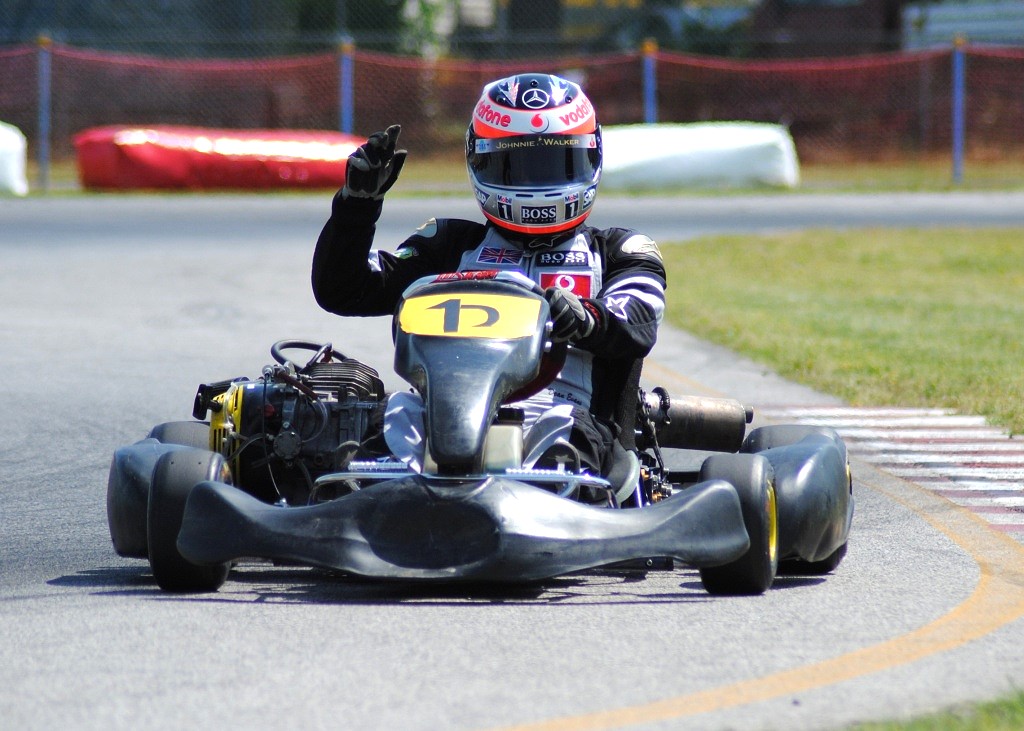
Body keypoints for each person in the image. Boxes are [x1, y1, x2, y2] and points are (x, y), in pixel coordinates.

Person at [312, 73, 666, 478]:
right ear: (480, 160)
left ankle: (551, 503)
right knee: (397, 413)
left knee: (563, 432)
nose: (536, 180)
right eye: (517, 166)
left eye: (555, 163)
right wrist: (356, 207)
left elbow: (637, 318)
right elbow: (345, 289)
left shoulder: (619, 252)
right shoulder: (448, 245)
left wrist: (586, 318)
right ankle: (372, 502)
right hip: (446, 410)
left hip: (566, 413)